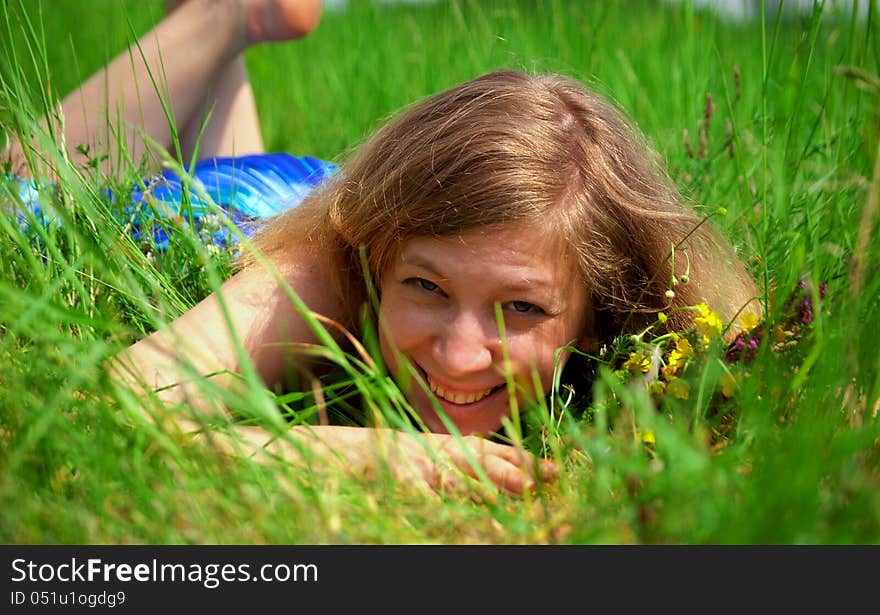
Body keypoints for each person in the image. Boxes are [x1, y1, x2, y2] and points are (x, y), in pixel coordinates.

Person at [3, 0, 759, 498]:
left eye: (522, 307)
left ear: (597, 311)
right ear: (377, 257)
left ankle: (225, 30)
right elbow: (121, 407)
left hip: (302, 188)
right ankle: (226, 15)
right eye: (426, 288)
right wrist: (376, 455)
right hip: (215, 212)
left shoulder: (644, 318)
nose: (462, 354)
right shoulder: (318, 274)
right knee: (28, 188)